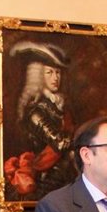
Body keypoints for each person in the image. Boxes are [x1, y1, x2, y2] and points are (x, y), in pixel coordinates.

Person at [9, 41, 76, 201]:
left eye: (58, 73)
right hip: (48, 177)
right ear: (39, 75)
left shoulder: (60, 105)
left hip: (65, 173)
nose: (55, 78)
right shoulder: (35, 112)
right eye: (49, 72)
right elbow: (59, 144)